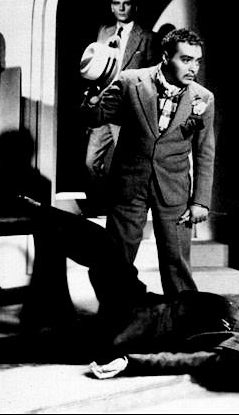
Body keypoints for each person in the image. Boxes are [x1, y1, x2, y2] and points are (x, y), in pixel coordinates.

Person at [19, 198, 239, 393]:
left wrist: (130, 363)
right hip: (147, 303)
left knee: (46, 341)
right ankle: (31, 211)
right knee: (101, 243)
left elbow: (189, 361)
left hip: (137, 327)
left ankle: (25, 209)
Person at [81, 28, 216, 295]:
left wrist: (200, 201)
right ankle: (115, 314)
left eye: (197, 61)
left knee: (177, 265)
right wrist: (94, 94)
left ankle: (183, 317)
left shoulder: (203, 98)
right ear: (166, 57)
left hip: (174, 188)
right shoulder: (130, 81)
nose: (193, 68)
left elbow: (204, 152)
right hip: (129, 185)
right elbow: (95, 117)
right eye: (186, 59)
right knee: (116, 260)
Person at [84, 0, 157, 215]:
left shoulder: (147, 37)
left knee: (128, 166)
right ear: (111, 7)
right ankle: (105, 207)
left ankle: (130, 209)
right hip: (103, 107)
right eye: (117, 3)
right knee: (91, 162)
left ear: (134, 7)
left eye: (126, 3)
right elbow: (96, 68)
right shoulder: (104, 32)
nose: (121, 8)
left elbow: (152, 77)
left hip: (128, 111)